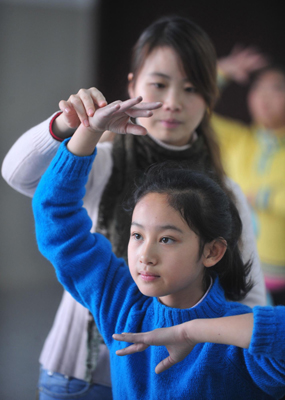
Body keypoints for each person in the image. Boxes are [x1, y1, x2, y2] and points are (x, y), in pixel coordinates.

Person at [1, 16, 266, 399]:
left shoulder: (224, 192)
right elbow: (24, 180)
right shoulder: (100, 159)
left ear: (209, 99)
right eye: (159, 84)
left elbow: (250, 296)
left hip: (178, 376)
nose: (173, 102)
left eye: (191, 88)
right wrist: (73, 128)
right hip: (80, 375)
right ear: (132, 85)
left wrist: (202, 339)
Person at [32, 97, 285, 399]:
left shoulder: (239, 337)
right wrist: (88, 131)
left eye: (167, 239)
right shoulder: (122, 305)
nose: (145, 256)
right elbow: (54, 216)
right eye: (137, 236)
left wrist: (189, 332)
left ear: (212, 252)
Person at [213, 49, 285, 306]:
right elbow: (197, 112)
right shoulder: (237, 139)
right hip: (236, 272)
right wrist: (222, 72)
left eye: (276, 88)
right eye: (258, 88)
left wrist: (264, 197)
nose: (264, 96)